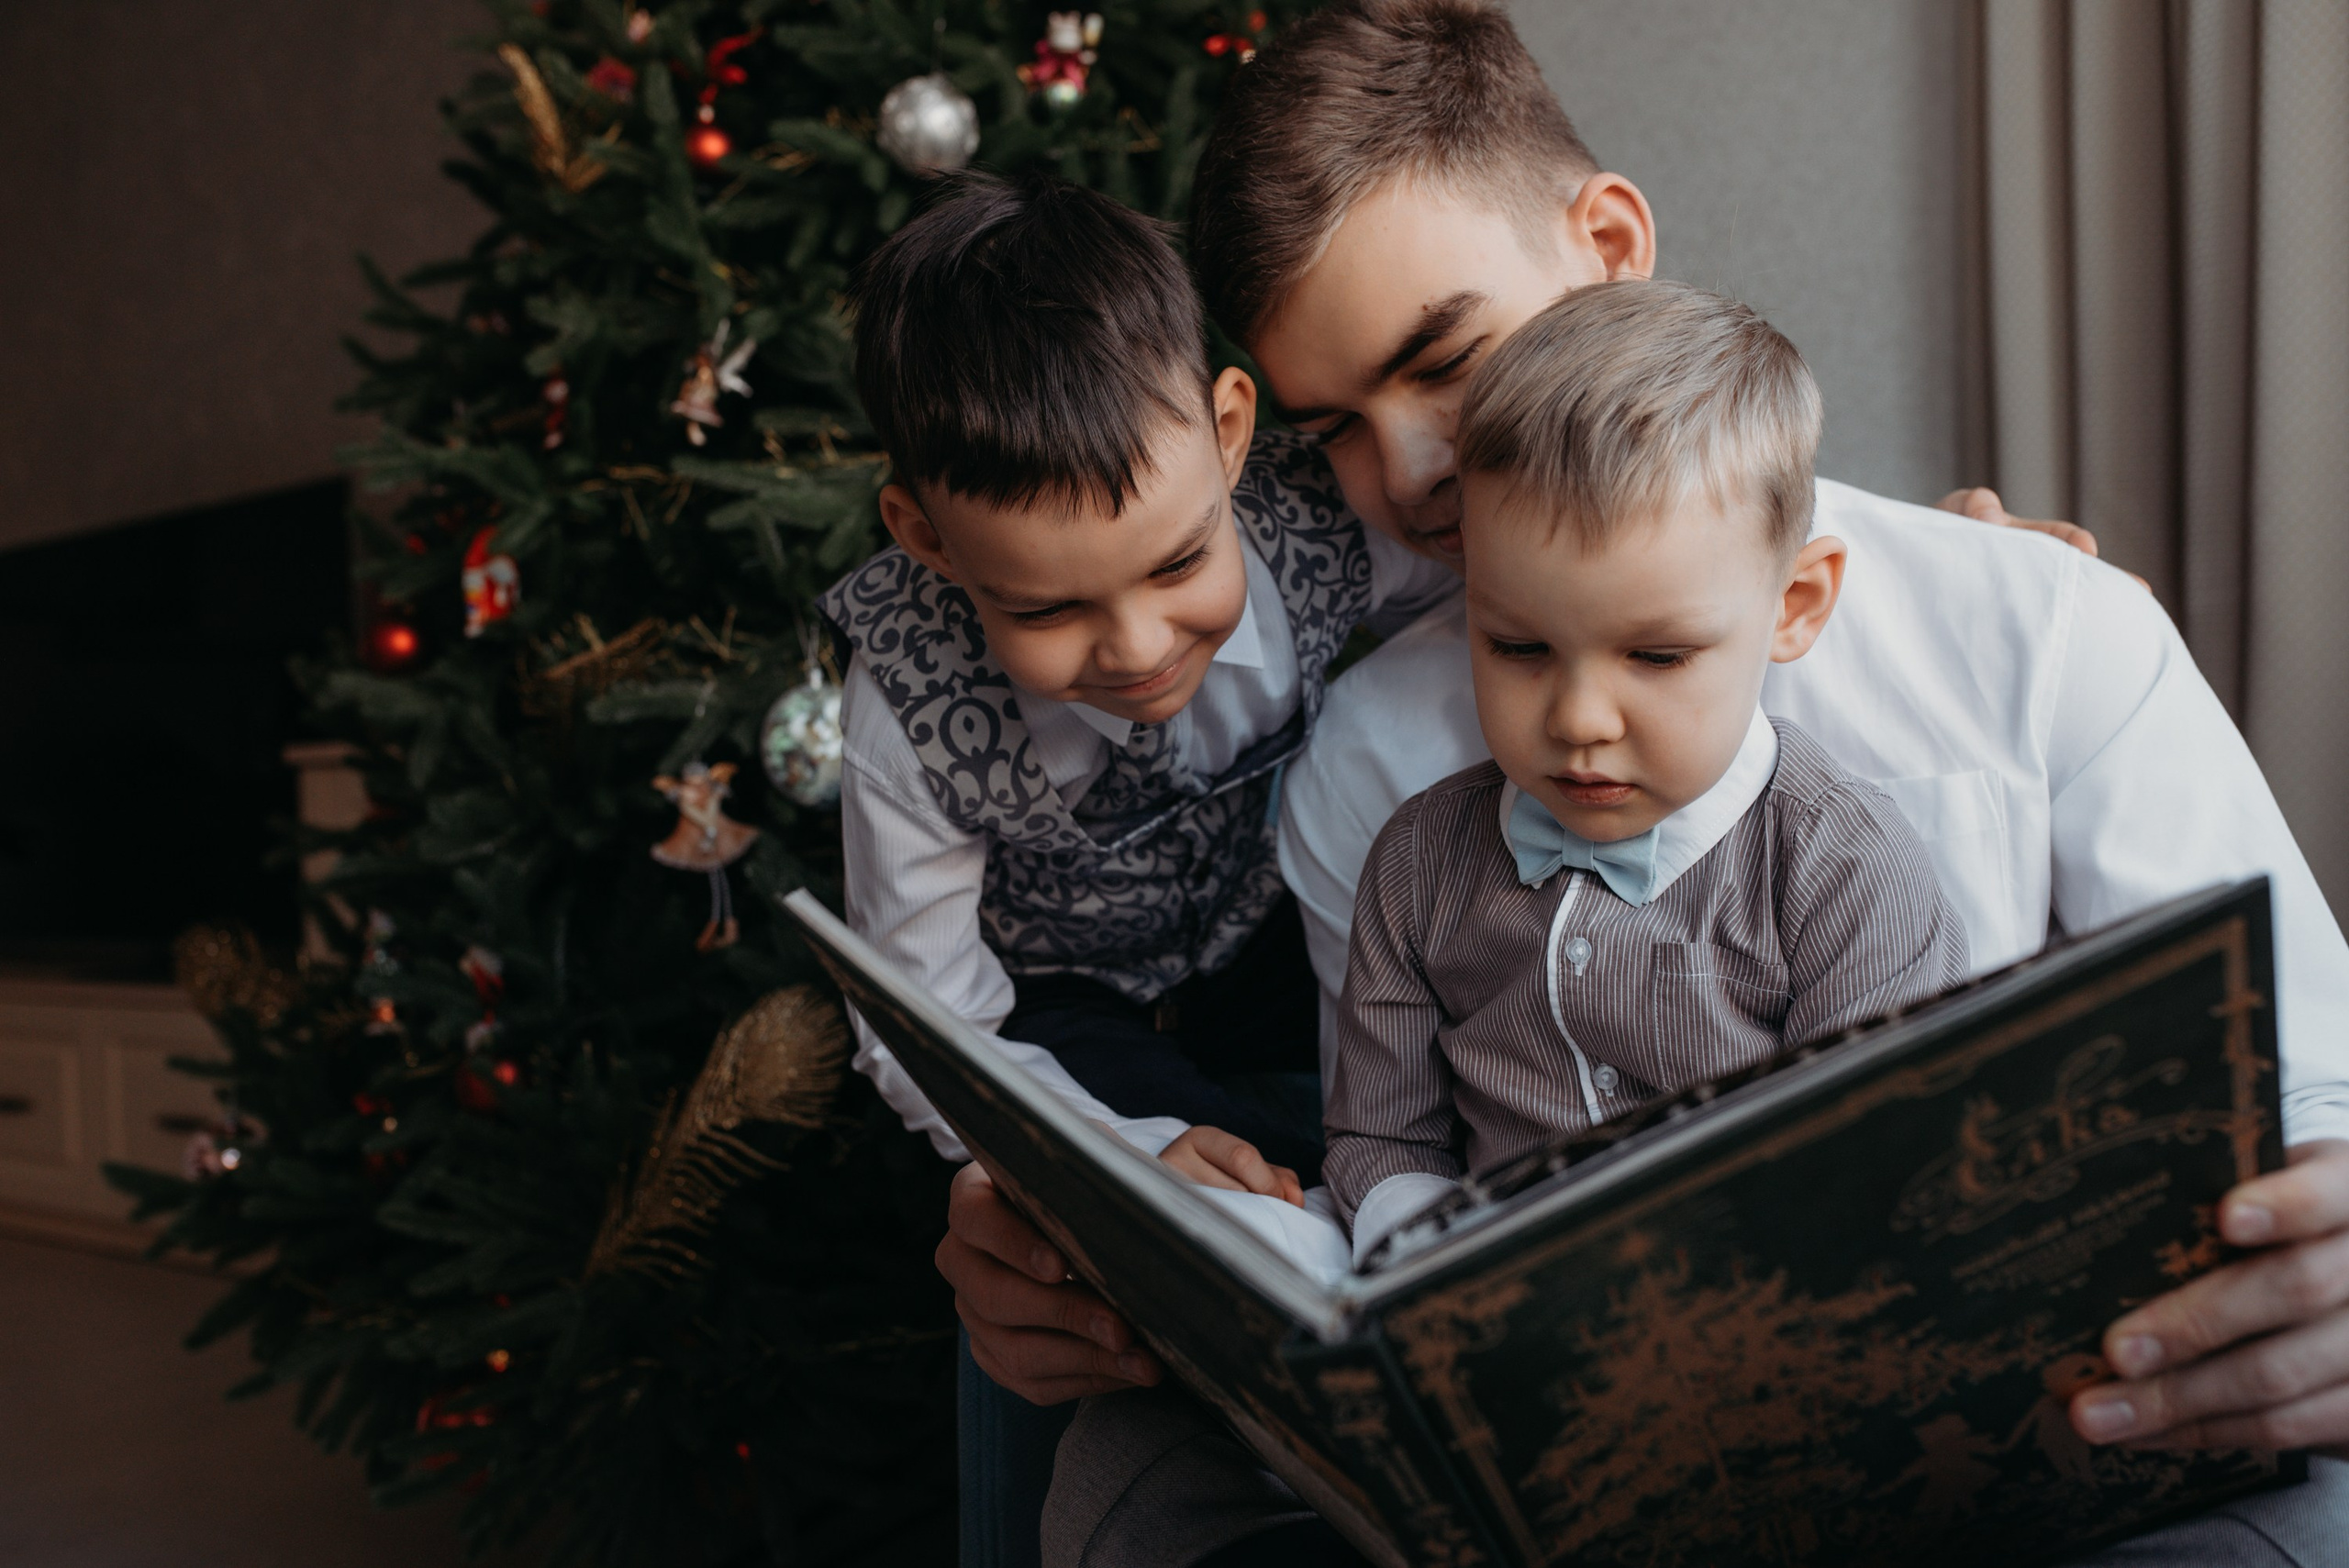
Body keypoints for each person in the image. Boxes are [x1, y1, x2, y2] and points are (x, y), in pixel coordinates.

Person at [956, 3, 2349, 1560]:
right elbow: (1374, 1136)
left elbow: (2309, 1071)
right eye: (1337, 428)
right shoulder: (1373, 765)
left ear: (1611, 240)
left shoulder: (2041, 628)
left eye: (1447, 359)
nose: (1411, 471)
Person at [816, 169, 1453, 1567]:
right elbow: (922, 1026)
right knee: (1068, 1274)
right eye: (1045, 607)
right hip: (1063, 1014)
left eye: (1176, 565)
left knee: (1372, 1153)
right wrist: (1125, 1154)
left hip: (1268, 934)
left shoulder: (1318, 533)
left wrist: (1909, 555)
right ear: (925, 534)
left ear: (1230, 433)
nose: (1137, 644)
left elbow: (1542, 573)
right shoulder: (905, 712)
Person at [1323, 276, 1968, 1258]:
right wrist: (1428, 1263)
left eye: (1657, 656)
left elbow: (1880, 1176)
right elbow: (1381, 1136)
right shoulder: (1418, 864)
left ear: (1793, 605)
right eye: (1518, 647)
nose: (1580, 720)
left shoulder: (1844, 873)